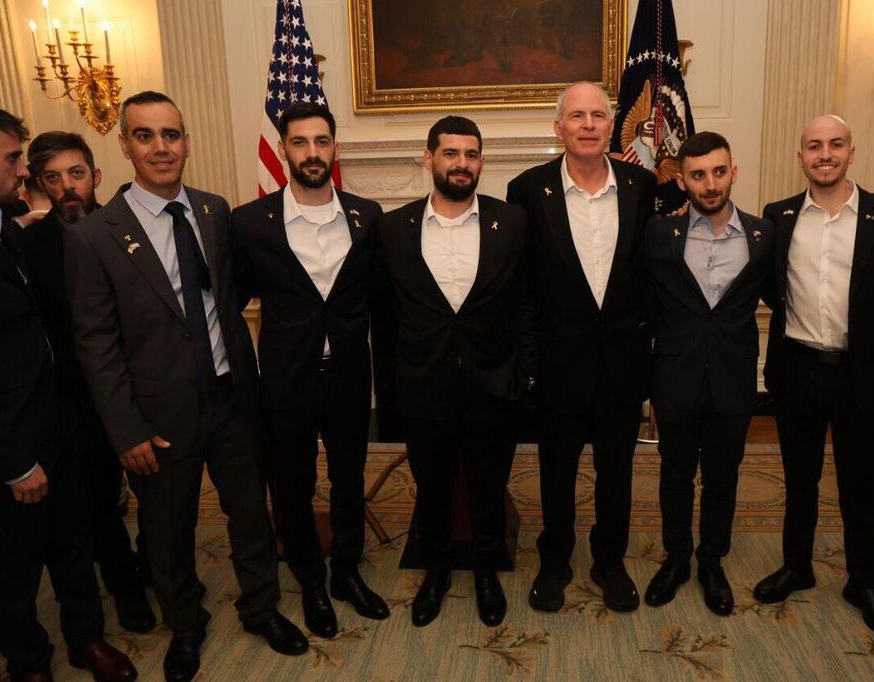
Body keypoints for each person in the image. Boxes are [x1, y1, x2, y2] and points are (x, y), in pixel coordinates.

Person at [64, 91, 307, 682]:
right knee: (168, 530)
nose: (160, 147)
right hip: (158, 415)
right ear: (124, 146)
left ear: (186, 142)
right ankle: (186, 626)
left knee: (250, 513)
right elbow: (95, 344)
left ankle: (261, 608)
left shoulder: (213, 210)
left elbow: (228, 297)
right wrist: (126, 430)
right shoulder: (96, 235)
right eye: (145, 136)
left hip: (230, 396)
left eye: (171, 134)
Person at [753, 115, 874, 639]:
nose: (824, 154)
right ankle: (797, 566)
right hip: (798, 370)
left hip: (863, 374)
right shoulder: (778, 216)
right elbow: (767, 284)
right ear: (800, 157)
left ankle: (863, 581)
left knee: (859, 480)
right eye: (813, 146)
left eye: (834, 145)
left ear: (852, 152)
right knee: (799, 478)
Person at [230, 102, 389, 638]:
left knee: (349, 480)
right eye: (300, 142)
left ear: (335, 149)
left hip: (348, 376)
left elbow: (383, 301)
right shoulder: (250, 224)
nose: (312, 152)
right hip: (284, 380)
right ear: (283, 151)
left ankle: (346, 572)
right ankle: (310, 581)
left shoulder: (368, 216)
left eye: (322, 142)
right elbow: (230, 302)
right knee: (292, 487)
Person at [0, 106, 136, 682]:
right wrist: (14, 461)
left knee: (74, 541)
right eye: (11, 159)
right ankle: (27, 662)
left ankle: (86, 639)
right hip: (10, 441)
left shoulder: (9, 231)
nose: (23, 171)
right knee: (13, 562)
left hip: (61, 421)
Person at [375, 116, 535, 627]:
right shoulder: (392, 227)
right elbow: (386, 316)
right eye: (450, 153)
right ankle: (437, 570)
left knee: (490, 484)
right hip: (424, 386)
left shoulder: (510, 222)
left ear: (481, 162)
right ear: (429, 159)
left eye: (471, 154)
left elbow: (527, 305)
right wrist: (391, 390)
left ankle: (487, 571)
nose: (461, 163)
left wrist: (524, 373)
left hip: (493, 382)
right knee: (434, 484)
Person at [507, 82, 656, 613]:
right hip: (556, 365)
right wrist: (529, 364)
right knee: (556, 471)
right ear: (559, 128)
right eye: (577, 116)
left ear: (611, 125)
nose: (589, 124)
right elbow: (522, 290)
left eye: (598, 115)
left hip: (622, 363)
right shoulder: (526, 190)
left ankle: (609, 561)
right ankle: (555, 560)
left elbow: (650, 280)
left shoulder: (643, 185)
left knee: (617, 471)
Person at [15, 131, 155, 632]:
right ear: (38, 183)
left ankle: (154, 564)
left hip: (137, 385)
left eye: (76, 174)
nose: (67, 187)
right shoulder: (26, 245)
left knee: (156, 490)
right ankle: (125, 585)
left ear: (95, 177)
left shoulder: (128, 229)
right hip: (74, 397)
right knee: (98, 499)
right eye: (53, 178)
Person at [642, 132, 774, 616]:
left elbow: (785, 299)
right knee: (675, 475)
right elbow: (644, 302)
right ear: (683, 180)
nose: (710, 183)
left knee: (723, 477)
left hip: (734, 382)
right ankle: (676, 559)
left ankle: (711, 562)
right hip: (674, 378)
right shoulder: (660, 232)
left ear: (733, 171)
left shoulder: (764, 236)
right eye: (698, 174)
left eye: (719, 172)